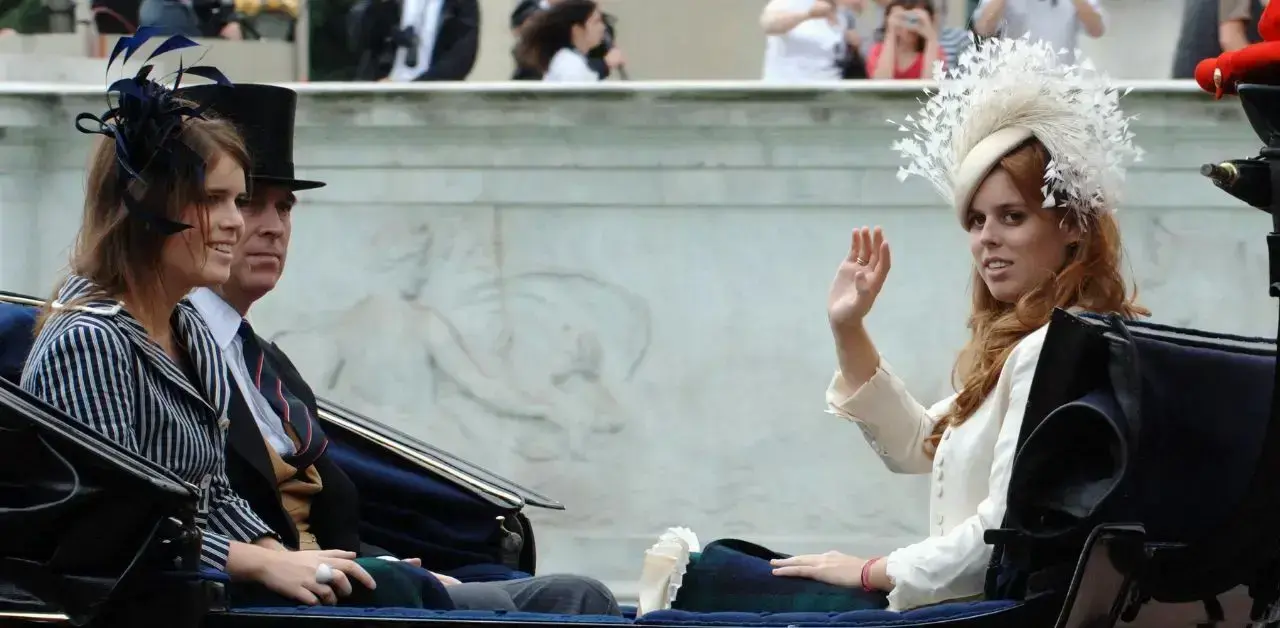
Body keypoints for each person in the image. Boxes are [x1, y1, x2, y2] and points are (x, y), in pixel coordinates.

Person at [638, 34, 1145, 615]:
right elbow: (920, 443)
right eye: (976, 220)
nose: (986, 238)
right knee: (726, 568)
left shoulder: (1052, 348)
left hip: (968, 614)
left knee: (712, 577)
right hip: (955, 604)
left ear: (1072, 225)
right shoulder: (1042, 343)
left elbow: (1004, 532)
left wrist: (873, 570)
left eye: (1012, 216)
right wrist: (849, 328)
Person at [176, 81, 621, 616]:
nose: (271, 228)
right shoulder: (166, 352)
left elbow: (329, 519)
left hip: (346, 584)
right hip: (269, 602)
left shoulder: (271, 365)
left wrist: (396, 566)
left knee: (576, 595)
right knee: (559, 601)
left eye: (285, 207)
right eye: (246, 203)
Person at [19, 32, 394, 609]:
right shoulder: (89, 341)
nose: (236, 223)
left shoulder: (188, 330)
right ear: (149, 206)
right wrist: (263, 564)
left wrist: (286, 558)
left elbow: (214, 495)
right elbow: (118, 526)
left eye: (236, 201)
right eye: (216, 200)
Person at [510, 0, 624, 80]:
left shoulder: (573, 61)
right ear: (577, 30)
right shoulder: (569, 65)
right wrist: (605, 64)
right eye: (596, 22)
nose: (602, 27)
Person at [759, 0, 862, 82]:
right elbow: (768, 24)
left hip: (826, 93)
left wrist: (851, 43)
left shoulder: (842, 15)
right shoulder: (794, 2)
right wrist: (807, 14)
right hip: (787, 92)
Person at [865, 0, 944, 80]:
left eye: (914, 20)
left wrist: (930, 37)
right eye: (903, 19)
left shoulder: (934, 50)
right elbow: (880, 82)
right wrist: (891, 33)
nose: (909, 27)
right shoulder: (878, 50)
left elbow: (932, 84)